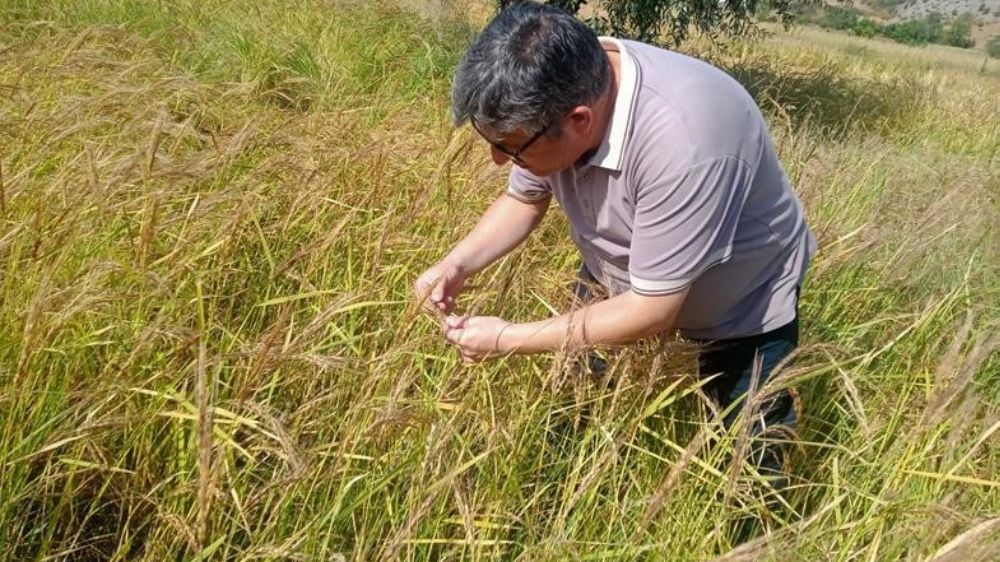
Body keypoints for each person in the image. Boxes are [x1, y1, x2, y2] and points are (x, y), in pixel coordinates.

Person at [414, 1, 816, 478]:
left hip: (740, 306)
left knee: (749, 460)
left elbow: (651, 309)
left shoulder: (687, 141)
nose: (498, 161)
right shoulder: (559, 98)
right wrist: (456, 264)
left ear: (580, 120)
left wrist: (505, 339)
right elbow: (524, 201)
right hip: (617, 277)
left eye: (509, 146)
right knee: (573, 412)